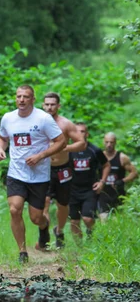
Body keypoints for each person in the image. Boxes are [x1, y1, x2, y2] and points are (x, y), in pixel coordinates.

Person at [0, 85, 66, 264]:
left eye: (26, 97)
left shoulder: (43, 119)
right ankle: (22, 251)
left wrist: (41, 155)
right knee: (14, 209)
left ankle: (44, 228)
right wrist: (0, 149)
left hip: (39, 176)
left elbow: (61, 141)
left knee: (36, 218)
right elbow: (2, 137)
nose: (21, 100)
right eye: (19, 96)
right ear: (15, 98)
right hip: (16, 173)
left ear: (33, 100)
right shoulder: (8, 118)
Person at [41, 92, 86, 248]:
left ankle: (59, 231)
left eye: (52, 104)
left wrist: (64, 147)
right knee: (44, 202)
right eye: (46, 104)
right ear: (42, 105)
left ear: (58, 106)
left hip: (62, 168)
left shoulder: (66, 124)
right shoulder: (37, 122)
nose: (49, 107)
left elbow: (81, 143)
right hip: (43, 168)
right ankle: (44, 232)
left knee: (62, 205)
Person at [68, 123, 110, 240]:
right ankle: (80, 250)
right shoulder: (69, 150)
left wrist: (102, 182)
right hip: (73, 190)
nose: (79, 134)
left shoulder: (94, 150)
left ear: (87, 134)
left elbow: (106, 165)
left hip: (90, 190)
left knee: (88, 219)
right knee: (74, 222)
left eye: (82, 131)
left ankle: (91, 235)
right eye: (76, 131)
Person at [98, 132, 138, 220]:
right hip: (102, 194)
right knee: (104, 220)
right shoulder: (98, 156)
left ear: (115, 143)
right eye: (107, 142)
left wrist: (123, 181)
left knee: (117, 220)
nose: (109, 145)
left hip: (118, 194)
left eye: (111, 142)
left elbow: (134, 173)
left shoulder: (122, 157)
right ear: (103, 142)